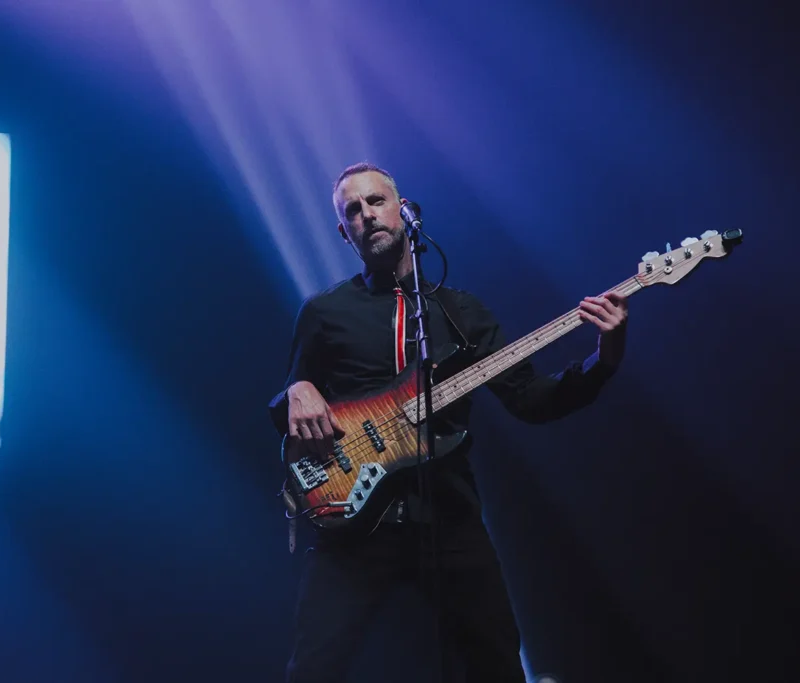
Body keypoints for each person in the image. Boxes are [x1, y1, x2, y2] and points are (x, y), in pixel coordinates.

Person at [268, 162, 628, 682]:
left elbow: (533, 400)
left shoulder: (462, 313)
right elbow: (289, 402)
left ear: (404, 210)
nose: (366, 215)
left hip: (448, 514)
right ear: (343, 232)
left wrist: (605, 358)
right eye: (352, 210)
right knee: (312, 670)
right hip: (352, 522)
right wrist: (295, 391)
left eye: (375, 202)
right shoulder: (324, 312)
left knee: (497, 665)